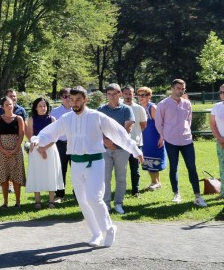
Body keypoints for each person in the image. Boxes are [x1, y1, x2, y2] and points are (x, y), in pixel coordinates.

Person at [32, 86, 143, 247]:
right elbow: (50, 132)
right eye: (72, 99)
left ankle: (109, 228)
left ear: (86, 100)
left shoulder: (97, 116)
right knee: (83, 201)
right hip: (76, 164)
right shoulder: (66, 118)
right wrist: (37, 139)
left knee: (94, 198)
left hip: (95, 162)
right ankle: (96, 233)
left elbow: (118, 133)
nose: (74, 103)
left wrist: (134, 150)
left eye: (78, 99)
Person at [156, 79, 207, 207]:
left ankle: (198, 196)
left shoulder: (187, 103)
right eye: (178, 88)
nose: (181, 91)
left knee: (192, 167)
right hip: (171, 140)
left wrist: (187, 132)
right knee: (173, 167)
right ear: (172, 88)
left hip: (186, 140)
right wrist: (163, 136)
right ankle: (176, 194)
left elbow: (188, 120)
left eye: (183, 88)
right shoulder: (163, 104)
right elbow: (158, 123)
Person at [98, 84, 135, 215]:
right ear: (106, 95)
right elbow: (97, 128)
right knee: (105, 178)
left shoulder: (126, 109)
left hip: (122, 149)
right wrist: (106, 141)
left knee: (121, 178)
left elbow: (127, 129)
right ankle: (106, 204)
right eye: (109, 94)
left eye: (115, 94)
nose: (112, 96)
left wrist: (113, 142)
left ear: (120, 94)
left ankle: (119, 203)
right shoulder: (101, 109)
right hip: (105, 149)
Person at [25, 97, 64, 209]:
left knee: (51, 173)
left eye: (44, 106)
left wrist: (45, 148)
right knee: (36, 173)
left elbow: (55, 137)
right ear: (36, 108)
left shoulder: (52, 119)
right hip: (36, 150)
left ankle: (51, 201)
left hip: (50, 149)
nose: (43, 108)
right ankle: (37, 201)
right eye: (40, 106)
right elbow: (30, 136)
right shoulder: (31, 119)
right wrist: (39, 148)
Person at [0, 89, 28, 195]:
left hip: (15, 145)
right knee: (2, 168)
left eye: (14, 96)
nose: (13, 98)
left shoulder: (21, 111)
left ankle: (11, 188)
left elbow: (24, 129)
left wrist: (22, 144)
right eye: (10, 96)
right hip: (1, 144)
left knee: (15, 168)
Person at [137, 86, 167, 190]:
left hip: (154, 137)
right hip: (145, 138)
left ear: (149, 96)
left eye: (143, 95)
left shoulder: (152, 107)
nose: (140, 97)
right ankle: (155, 182)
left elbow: (161, 123)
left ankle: (155, 182)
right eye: (139, 95)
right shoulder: (140, 108)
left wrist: (162, 137)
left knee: (155, 159)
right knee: (147, 159)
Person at [122, 85, 147, 198]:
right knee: (121, 170)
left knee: (135, 169)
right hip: (121, 144)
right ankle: (121, 191)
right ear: (122, 94)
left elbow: (143, 125)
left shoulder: (139, 109)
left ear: (134, 94)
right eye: (126, 93)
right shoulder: (119, 107)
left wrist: (135, 135)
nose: (128, 96)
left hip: (136, 143)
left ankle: (135, 191)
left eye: (130, 93)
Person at [49, 88, 74, 202]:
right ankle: (59, 195)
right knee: (60, 170)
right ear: (60, 98)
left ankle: (78, 194)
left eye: (70, 96)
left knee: (76, 169)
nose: (68, 99)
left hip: (74, 143)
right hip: (60, 144)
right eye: (65, 96)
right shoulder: (55, 112)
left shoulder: (77, 109)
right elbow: (52, 129)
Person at [211, 84, 224, 199]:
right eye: (220, 92)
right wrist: (219, 139)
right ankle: (223, 192)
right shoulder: (216, 106)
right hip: (220, 142)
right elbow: (213, 124)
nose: (222, 94)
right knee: (222, 168)